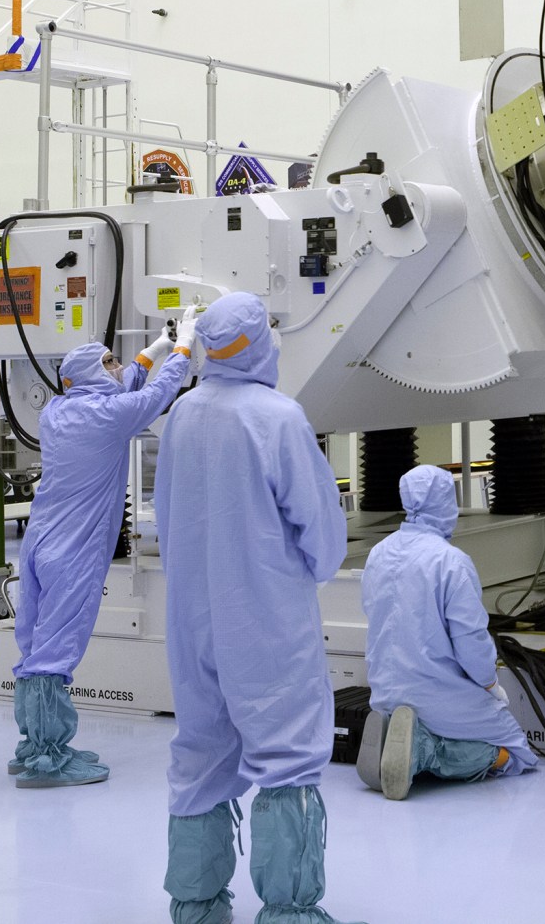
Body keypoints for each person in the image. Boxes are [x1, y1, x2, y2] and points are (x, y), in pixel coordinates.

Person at [154, 293, 364, 924]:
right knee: (288, 753)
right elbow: (321, 534)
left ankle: (196, 906)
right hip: (265, 618)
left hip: (194, 615)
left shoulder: (183, 415)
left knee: (201, 751)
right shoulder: (279, 418)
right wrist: (310, 568)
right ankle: (290, 912)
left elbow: (165, 516)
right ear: (257, 345)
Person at [11, 322, 194, 788]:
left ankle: (33, 745)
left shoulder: (56, 410)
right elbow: (155, 395)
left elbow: (123, 386)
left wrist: (157, 345)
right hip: (73, 550)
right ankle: (49, 761)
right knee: (54, 652)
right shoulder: (108, 416)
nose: (117, 367)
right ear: (87, 377)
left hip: (38, 543)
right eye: (107, 362)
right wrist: (186, 346)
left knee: (34, 647)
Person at [357, 464, 538, 800]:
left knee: (431, 718)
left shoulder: (378, 554)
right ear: (445, 504)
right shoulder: (450, 561)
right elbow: (470, 638)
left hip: (384, 692)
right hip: (437, 696)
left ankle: (397, 740)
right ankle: (424, 751)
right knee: (517, 754)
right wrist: (489, 684)